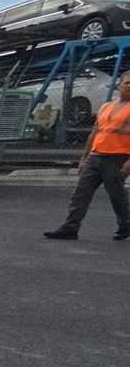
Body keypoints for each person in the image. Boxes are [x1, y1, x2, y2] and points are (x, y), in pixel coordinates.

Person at [45, 71, 130, 240]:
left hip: (117, 157)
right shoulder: (106, 106)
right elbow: (95, 133)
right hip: (96, 155)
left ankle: (126, 225)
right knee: (81, 193)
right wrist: (84, 157)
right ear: (119, 85)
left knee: (116, 195)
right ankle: (70, 227)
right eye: (128, 83)